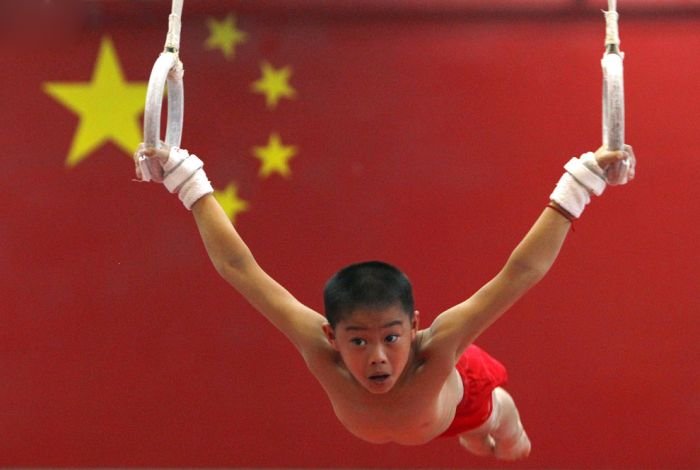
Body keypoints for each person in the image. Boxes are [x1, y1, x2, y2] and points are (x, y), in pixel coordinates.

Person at [133, 142, 635, 460]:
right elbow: (240, 269)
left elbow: (519, 273)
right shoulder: (317, 349)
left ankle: (497, 422)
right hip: (425, 420)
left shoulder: (437, 348)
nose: (377, 357)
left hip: (464, 397)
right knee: (472, 443)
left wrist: (581, 183)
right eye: (358, 341)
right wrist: (187, 180)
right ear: (331, 335)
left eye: (392, 338)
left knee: (504, 443)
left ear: (415, 327)